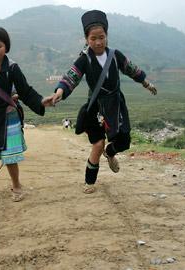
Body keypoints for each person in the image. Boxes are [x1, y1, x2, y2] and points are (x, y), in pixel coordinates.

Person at [51, 10, 158, 193]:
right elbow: (71, 76)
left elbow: (132, 69)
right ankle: (89, 181)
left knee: (124, 140)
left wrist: (146, 83)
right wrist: (60, 91)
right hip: (96, 107)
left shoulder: (116, 56)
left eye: (101, 37)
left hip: (116, 104)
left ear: (107, 35)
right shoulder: (84, 60)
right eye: (93, 38)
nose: (98, 42)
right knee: (98, 144)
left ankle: (111, 152)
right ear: (86, 39)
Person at [0, 26, 53, 202]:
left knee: (10, 156)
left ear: (6, 47)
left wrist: (41, 101)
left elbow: (25, 91)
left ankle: (17, 185)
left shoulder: (12, 68)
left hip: (8, 115)